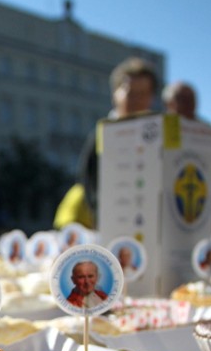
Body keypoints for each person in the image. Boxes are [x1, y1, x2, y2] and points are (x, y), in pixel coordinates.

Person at [60, 57, 159, 229]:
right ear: (115, 93)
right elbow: (88, 180)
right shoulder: (101, 136)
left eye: (142, 93)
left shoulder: (159, 136)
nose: (136, 100)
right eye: (130, 93)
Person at [164, 80, 211, 229]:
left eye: (192, 99)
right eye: (182, 99)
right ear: (169, 103)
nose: (188, 104)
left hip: (205, 219)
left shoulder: (208, 133)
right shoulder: (159, 130)